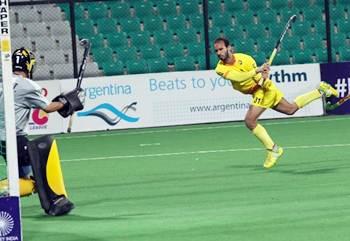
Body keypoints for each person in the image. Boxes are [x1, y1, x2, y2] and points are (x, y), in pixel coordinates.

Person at [213, 37, 338, 169]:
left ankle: (273, 149)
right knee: (290, 109)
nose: (218, 53)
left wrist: (263, 76)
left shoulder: (246, 59)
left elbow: (259, 80)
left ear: (229, 48)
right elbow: (238, 77)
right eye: (216, 51)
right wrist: (259, 72)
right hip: (258, 90)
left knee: (250, 121)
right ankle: (321, 91)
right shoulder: (219, 68)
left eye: (221, 49)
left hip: (264, 90)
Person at [0, 47, 84, 215]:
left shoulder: (4, 82)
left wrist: (65, 101)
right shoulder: (27, 85)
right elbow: (48, 108)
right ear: (28, 65)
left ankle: (50, 200)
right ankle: (55, 201)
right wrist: (69, 101)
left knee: (25, 180)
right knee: (40, 168)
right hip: (15, 139)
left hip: (3, 140)